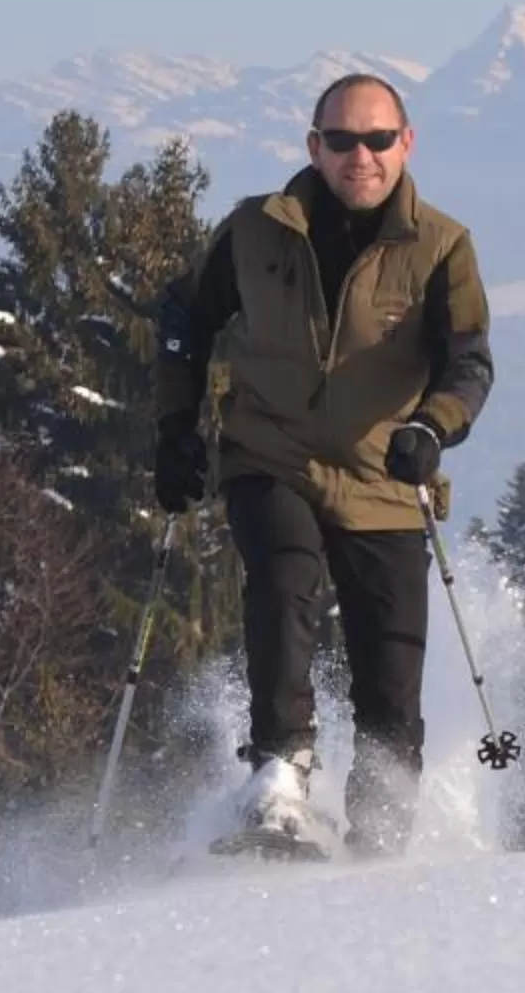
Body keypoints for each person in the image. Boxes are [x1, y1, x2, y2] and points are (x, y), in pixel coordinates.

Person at [154, 72, 494, 854]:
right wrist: (174, 427)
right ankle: (278, 773)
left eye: (378, 139)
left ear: (407, 144)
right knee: (283, 574)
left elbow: (469, 363)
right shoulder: (254, 231)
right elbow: (184, 319)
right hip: (271, 454)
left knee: (390, 673)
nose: (360, 156)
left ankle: (381, 835)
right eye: (341, 140)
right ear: (314, 146)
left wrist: (434, 428)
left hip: (384, 478)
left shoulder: (442, 246)